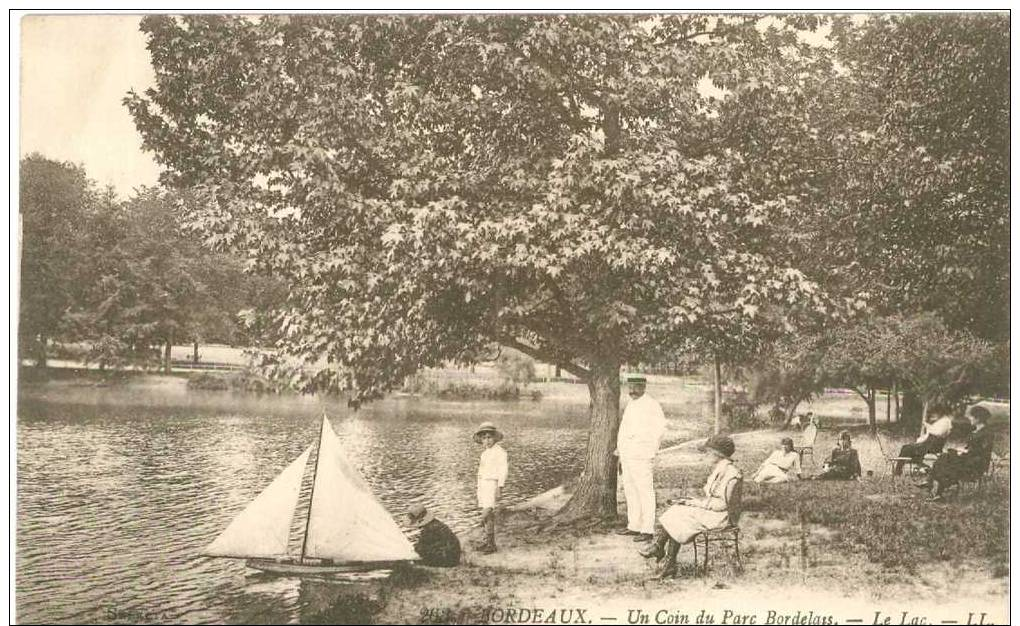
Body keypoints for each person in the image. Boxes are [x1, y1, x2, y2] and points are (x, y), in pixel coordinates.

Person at [638, 434, 742, 578]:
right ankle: (663, 554)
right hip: (714, 511)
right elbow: (713, 498)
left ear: (718, 454)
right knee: (678, 510)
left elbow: (723, 504)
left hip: (722, 517)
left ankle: (664, 556)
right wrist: (692, 502)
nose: (706, 456)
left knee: (679, 514)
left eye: (708, 453)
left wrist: (695, 503)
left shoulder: (730, 474)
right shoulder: (721, 469)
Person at [614, 373, 667, 543]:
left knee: (645, 490)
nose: (632, 390)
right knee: (630, 489)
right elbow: (624, 429)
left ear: (644, 387)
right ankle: (634, 525)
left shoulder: (652, 405)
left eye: (636, 387)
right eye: (630, 387)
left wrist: (649, 449)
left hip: (642, 454)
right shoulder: (631, 404)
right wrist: (620, 451)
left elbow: (660, 430)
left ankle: (647, 529)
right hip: (628, 454)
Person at [921, 406, 994, 501]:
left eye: (971, 416)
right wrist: (962, 449)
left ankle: (932, 484)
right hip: (968, 458)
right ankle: (935, 489)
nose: (969, 418)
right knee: (945, 457)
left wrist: (966, 451)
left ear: (978, 418)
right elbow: (970, 446)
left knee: (947, 461)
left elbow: (983, 451)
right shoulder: (975, 431)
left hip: (977, 463)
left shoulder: (987, 433)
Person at [474, 422, 508, 554]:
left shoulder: (500, 452)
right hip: (483, 484)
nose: (487, 441)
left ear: (494, 438)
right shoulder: (485, 453)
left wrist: (500, 487)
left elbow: (503, 471)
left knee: (487, 511)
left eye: (489, 437)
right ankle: (490, 543)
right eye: (484, 438)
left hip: (492, 484)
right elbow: (481, 471)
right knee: (489, 516)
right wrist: (478, 486)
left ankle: (480, 526)